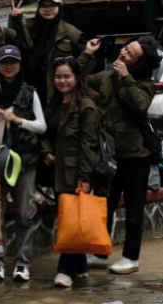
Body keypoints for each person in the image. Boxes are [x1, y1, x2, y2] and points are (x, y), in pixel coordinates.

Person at [0, 45, 45, 283]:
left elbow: (41, 125)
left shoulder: (30, 93)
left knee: (25, 213)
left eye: (13, 62)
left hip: (25, 162)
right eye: (4, 62)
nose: (9, 66)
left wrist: (18, 120)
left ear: (20, 64)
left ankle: (23, 263)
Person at [87, 35, 160, 276]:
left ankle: (131, 257)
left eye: (130, 54)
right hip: (110, 154)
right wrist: (87, 55)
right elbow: (80, 78)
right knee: (104, 205)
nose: (123, 53)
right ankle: (99, 253)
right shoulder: (107, 77)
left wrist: (126, 77)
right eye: (125, 48)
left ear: (138, 63)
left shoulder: (145, 84)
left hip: (136, 155)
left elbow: (140, 104)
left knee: (133, 209)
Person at [40, 56, 100, 288]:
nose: (62, 81)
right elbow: (44, 132)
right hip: (58, 173)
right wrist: (46, 151)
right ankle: (80, 266)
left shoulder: (86, 106)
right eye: (58, 76)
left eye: (67, 76)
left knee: (71, 223)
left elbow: (89, 143)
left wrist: (85, 177)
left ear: (76, 78)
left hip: (75, 174)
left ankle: (66, 270)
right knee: (70, 219)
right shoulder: (54, 103)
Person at [11, 0, 94, 101]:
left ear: (59, 7)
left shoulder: (70, 32)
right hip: (31, 89)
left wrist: (74, 81)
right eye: (43, 6)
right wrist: (16, 20)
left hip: (60, 92)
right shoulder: (28, 28)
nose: (47, 9)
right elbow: (17, 48)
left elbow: (88, 61)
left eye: (52, 5)